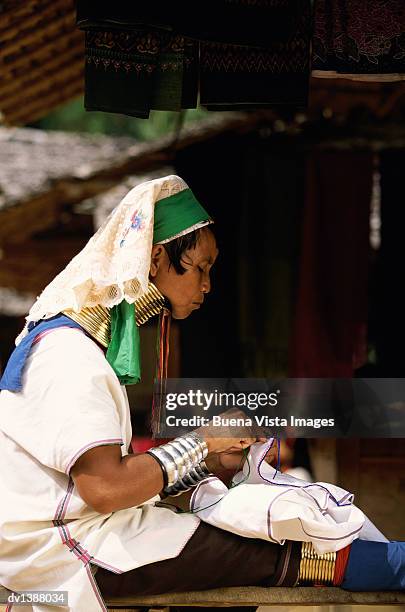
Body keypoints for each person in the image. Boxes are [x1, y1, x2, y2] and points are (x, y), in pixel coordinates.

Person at [0, 175, 403, 612]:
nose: (207, 286)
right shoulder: (69, 354)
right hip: (62, 554)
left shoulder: (72, 347)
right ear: (155, 258)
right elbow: (104, 488)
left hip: (78, 535)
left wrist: (205, 459)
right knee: (275, 547)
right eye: (201, 268)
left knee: (257, 535)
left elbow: (109, 485)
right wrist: (203, 441)